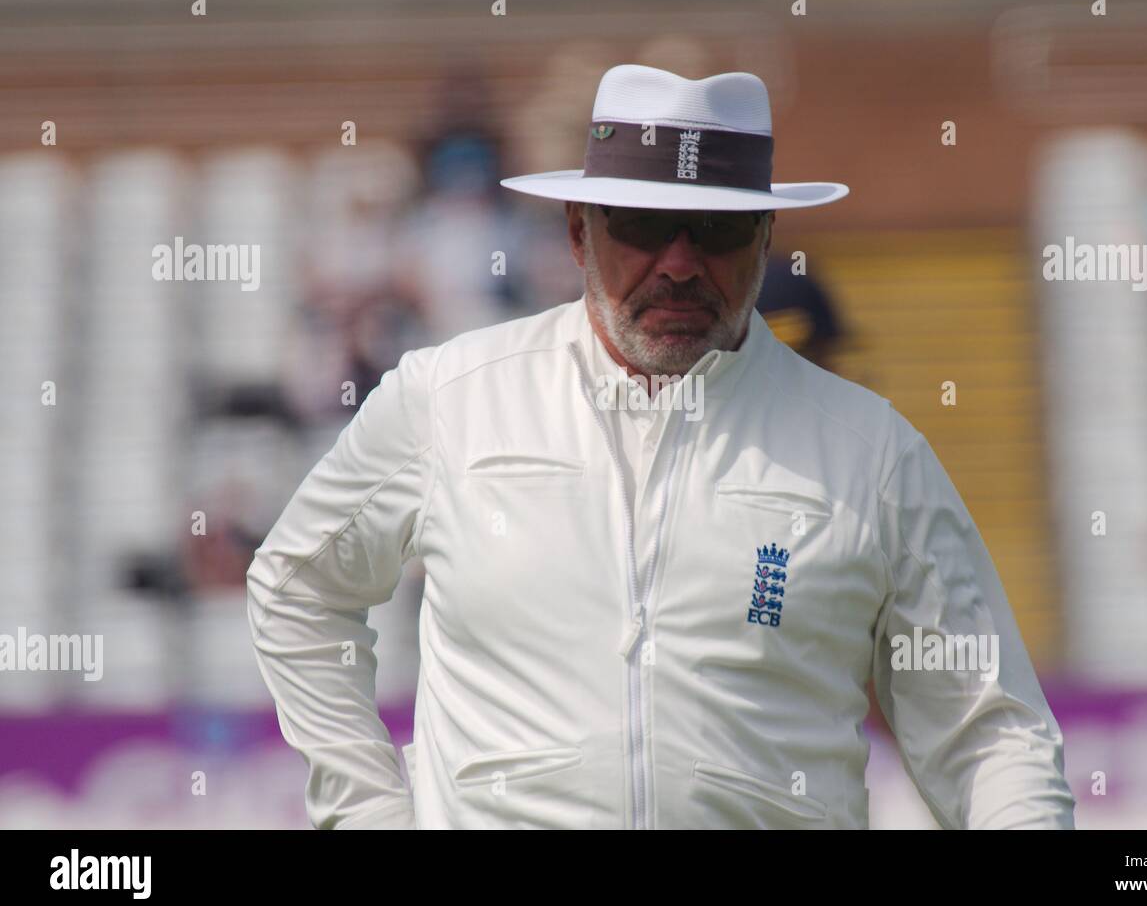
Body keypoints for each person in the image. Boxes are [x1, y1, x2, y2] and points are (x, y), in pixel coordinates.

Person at [247, 64, 1075, 829]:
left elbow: (989, 732)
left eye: (715, 229)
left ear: (764, 236)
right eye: (644, 225)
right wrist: (368, 813)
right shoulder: (451, 398)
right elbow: (295, 589)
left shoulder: (871, 454)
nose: (679, 264)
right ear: (579, 230)